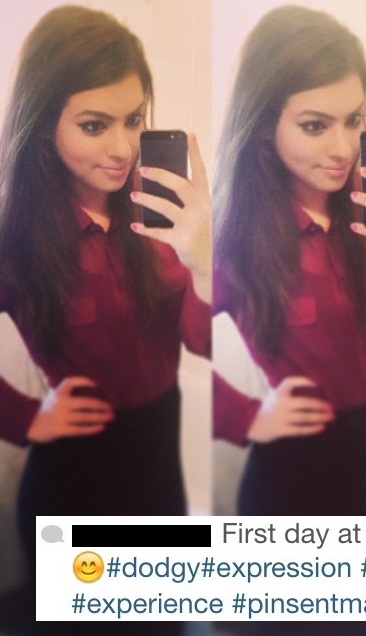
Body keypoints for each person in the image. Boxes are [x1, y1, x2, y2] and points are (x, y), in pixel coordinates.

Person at [0, 4, 211, 576]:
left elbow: (204, 344)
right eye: (95, 125)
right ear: (46, 123)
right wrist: (24, 418)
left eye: (135, 119)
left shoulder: (165, 211)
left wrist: (206, 263)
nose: (124, 148)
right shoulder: (15, 235)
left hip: (160, 469)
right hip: (75, 480)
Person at [213, 4, 366, 518]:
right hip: (291, 478)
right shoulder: (234, 234)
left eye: (354, 120)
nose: (343, 147)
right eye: (314, 126)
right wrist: (244, 417)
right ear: (265, 126)